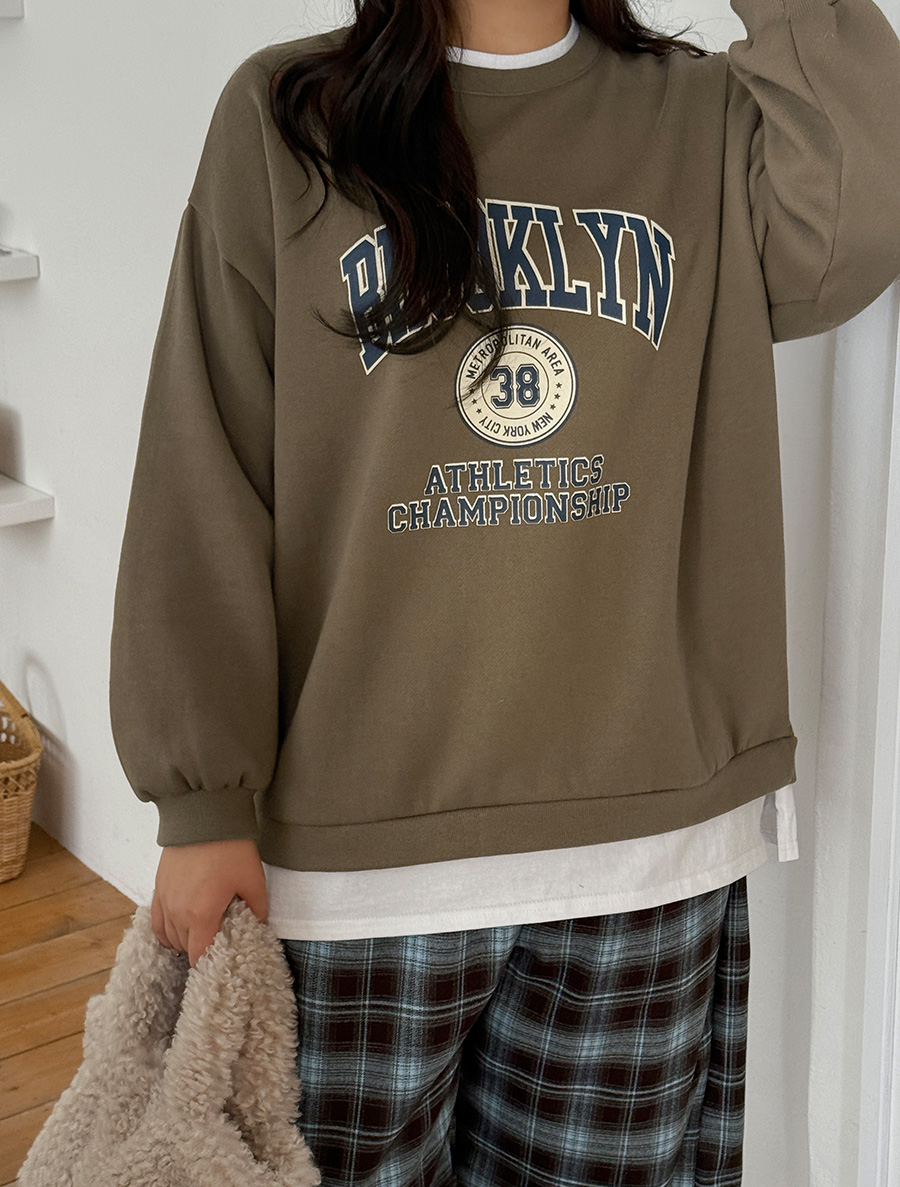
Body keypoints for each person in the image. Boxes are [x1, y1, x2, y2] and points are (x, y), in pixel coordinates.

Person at [108, 0, 900, 1182]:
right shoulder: (288, 121)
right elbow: (205, 461)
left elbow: (861, 206)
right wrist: (201, 798)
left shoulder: (699, 115)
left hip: (644, 848)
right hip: (355, 863)